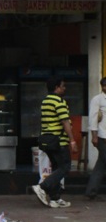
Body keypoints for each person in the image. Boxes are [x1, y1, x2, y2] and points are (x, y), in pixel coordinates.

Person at [32, 76, 77, 208]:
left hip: (47, 140)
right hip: (58, 140)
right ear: (56, 87)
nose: (64, 88)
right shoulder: (59, 102)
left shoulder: (45, 101)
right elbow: (65, 122)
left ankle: (55, 198)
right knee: (65, 166)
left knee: (57, 167)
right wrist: (72, 140)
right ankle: (42, 187)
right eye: (63, 86)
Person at [86, 76, 106, 200]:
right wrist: (94, 136)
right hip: (102, 137)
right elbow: (93, 118)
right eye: (104, 85)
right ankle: (91, 191)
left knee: (101, 164)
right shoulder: (97, 99)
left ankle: (91, 191)